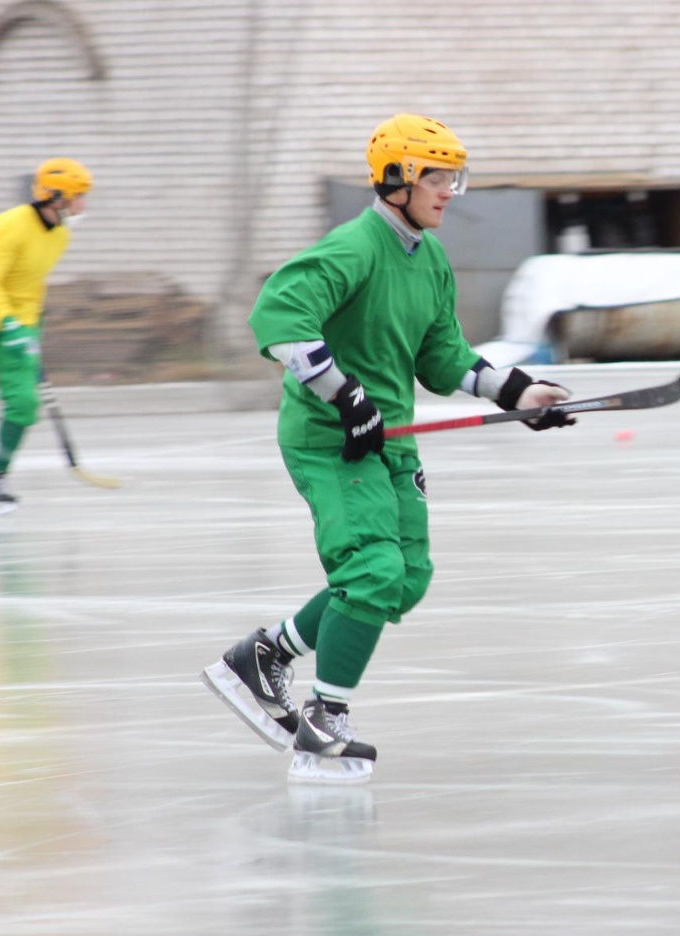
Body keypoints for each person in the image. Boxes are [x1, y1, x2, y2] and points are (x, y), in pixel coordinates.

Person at [201, 114, 574, 784]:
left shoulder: (427, 258)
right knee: (371, 570)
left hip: (391, 436)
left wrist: (517, 393)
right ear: (399, 177)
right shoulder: (355, 246)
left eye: (455, 177)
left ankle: (264, 657)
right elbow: (278, 317)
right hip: (330, 438)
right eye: (438, 176)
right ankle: (324, 725)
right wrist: (345, 396)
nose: (450, 191)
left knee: (405, 576)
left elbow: (442, 357)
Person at [0, 158, 93, 512]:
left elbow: (31, 286)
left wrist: (32, 329)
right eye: (79, 196)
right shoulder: (9, 226)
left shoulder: (60, 236)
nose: (84, 205)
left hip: (12, 326)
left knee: (24, 403)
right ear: (56, 197)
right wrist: (8, 321)